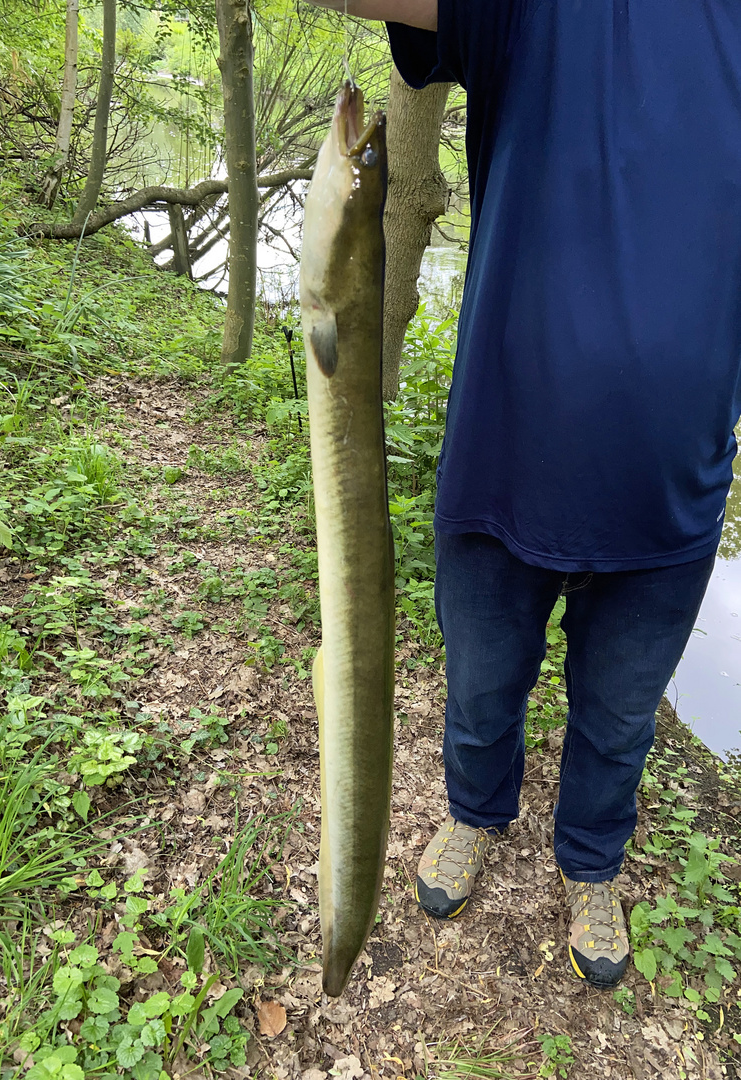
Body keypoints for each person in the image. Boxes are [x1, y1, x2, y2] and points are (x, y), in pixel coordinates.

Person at [305, 0, 741, 989]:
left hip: (669, 497)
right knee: (481, 687)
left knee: (618, 722)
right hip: (504, 466)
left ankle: (590, 864)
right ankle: (472, 814)